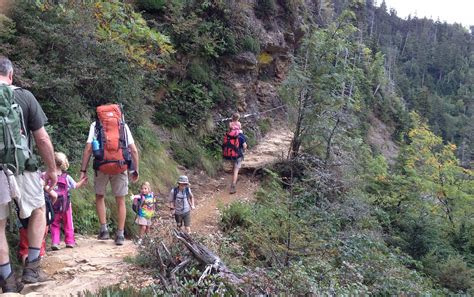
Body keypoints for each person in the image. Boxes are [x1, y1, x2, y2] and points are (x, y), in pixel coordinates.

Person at [0, 56, 57, 292]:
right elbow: (42, 138)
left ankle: (7, 280)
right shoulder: (25, 96)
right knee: (38, 210)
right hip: (24, 167)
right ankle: (32, 269)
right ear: (11, 75)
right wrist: (52, 168)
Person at [80, 105, 139, 246]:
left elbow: (88, 149)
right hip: (120, 166)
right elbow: (134, 150)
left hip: (101, 165)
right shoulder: (123, 126)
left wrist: (83, 170)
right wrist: (135, 170)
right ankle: (120, 234)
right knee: (121, 200)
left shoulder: (96, 125)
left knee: (100, 196)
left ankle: (104, 230)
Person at [48, 152, 87, 250]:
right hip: (66, 204)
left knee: (54, 223)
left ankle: (55, 242)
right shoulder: (66, 177)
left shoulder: (49, 176)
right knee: (68, 222)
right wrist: (83, 181)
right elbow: (75, 186)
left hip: (53, 203)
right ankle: (70, 241)